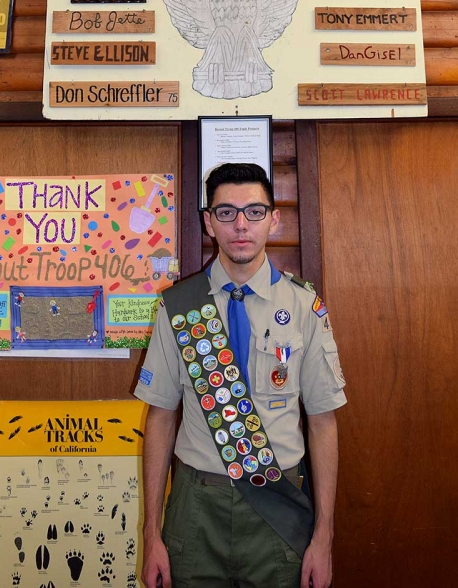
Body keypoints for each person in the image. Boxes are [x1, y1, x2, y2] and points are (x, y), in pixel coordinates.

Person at [135, 162, 347, 588]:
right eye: (226, 212)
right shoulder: (179, 307)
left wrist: (323, 537)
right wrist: (151, 533)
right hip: (195, 508)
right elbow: (159, 418)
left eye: (254, 211)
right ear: (208, 222)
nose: (240, 225)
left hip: (277, 504)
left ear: (274, 218)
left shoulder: (305, 308)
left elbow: (323, 422)